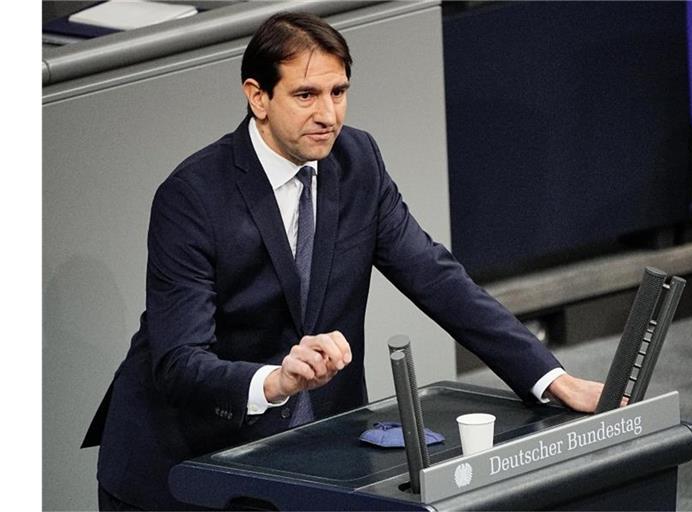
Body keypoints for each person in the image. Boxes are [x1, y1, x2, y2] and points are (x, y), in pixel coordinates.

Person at [84, 11, 607, 511]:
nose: (328, 114)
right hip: (182, 466)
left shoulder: (357, 163)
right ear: (258, 97)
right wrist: (273, 380)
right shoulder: (193, 196)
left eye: (338, 93)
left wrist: (550, 379)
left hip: (306, 452)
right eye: (306, 95)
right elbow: (178, 362)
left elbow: (435, 276)